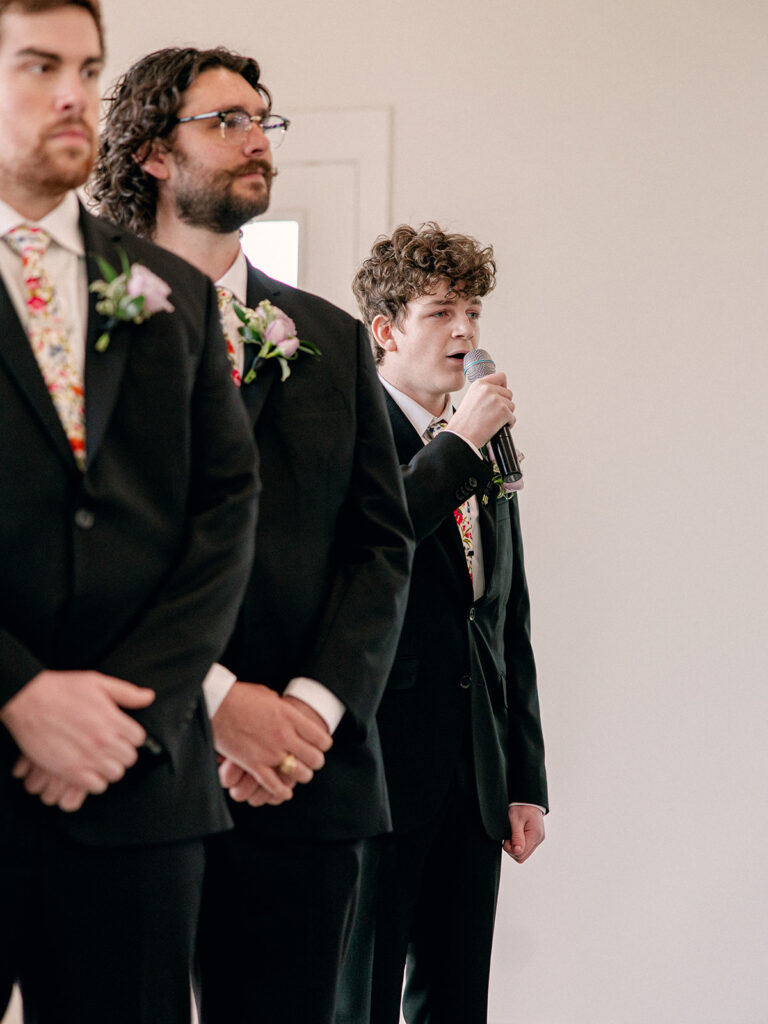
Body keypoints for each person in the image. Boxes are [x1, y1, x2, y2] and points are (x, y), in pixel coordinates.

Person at [92, 46, 414, 1024]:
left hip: (303, 779)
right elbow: (75, 552)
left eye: (262, 120)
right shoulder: (77, 331)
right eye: (225, 121)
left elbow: (379, 544)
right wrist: (221, 703)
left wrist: (308, 713)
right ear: (153, 152)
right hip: (130, 768)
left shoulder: (331, 337)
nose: (257, 139)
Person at [0, 6, 259, 1024]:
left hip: (140, 790)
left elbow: (225, 508)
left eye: (87, 68)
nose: (73, 94)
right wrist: (19, 691)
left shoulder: (168, 293)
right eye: (38, 67)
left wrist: (134, 712)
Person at [335, 223, 549, 1024]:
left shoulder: (484, 447)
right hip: (378, 774)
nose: (465, 331)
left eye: (473, 312)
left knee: (456, 1002)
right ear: (386, 331)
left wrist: (522, 780)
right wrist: (460, 442)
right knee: (357, 999)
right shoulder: (349, 433)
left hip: (474, 779)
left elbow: (505, 618)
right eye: (440, 312)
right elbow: (370, 537)